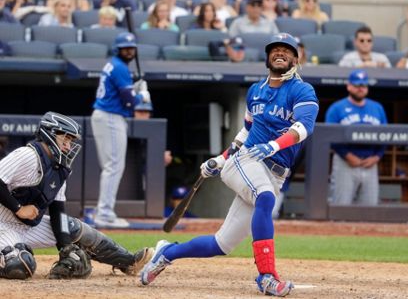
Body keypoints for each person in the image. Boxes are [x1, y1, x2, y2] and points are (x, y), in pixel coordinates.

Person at [140, 33, 319, 297]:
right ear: (268, 56)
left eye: (286, 50)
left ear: (296, 57)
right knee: (265, 198)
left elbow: (303, 127)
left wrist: (273, 145)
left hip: (274, 170)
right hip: (246, 161)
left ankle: (168, 251)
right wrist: (221, 158)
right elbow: (245, 134)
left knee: (221, 244)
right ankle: (267, 277)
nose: (280, 53)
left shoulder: (302, 90)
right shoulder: (255, 91)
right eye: (275, 49)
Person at [0, 111, 152, 280]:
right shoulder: (26, 155)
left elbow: (58, 212)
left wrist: (66, 248)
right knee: (20, 266)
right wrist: (18, 208)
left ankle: (128, 261)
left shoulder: (59, 169)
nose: (68, 145)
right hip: (2, 224)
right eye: (65, 138)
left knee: (71, 227)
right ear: (50, 134)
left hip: (25, 227)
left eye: (71, 140)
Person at [91, 32, 151, 228]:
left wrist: (134, 88)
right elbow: (129, 101)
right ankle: (105, 213)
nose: (129, 51)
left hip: (103, 114)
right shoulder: (119, 68)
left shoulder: (114, 65)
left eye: (131, 48)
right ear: (118, 49)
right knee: (114, 166)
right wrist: (142, 96)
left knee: (110, 166)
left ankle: (103, 211)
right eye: (125, 48)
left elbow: (122, 92)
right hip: (110, 117)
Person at [326, 70, 387, 206]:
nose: (360, 88)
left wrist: (377, 156)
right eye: (357, 85)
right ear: (349, 86)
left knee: (369, 208)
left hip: (371, 163)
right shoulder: (336, 108)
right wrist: (346, 155)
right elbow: (330, 136)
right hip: (345, 162)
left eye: (364, 85)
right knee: (341, 206)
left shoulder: (377, 108)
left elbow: (386, 135)